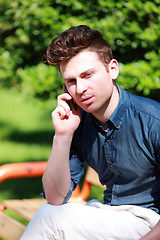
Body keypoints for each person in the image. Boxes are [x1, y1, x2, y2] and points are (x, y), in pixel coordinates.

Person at [21, 25, 160, 240]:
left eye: (87, 75)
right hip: (109, 215)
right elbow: (55, 198)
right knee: (51, 214)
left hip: (150, 223)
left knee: (50, 221)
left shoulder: (153, 121)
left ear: (112, 69)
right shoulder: (79, 123)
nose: (80, 88)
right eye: (71, 81)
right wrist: (63, 136)